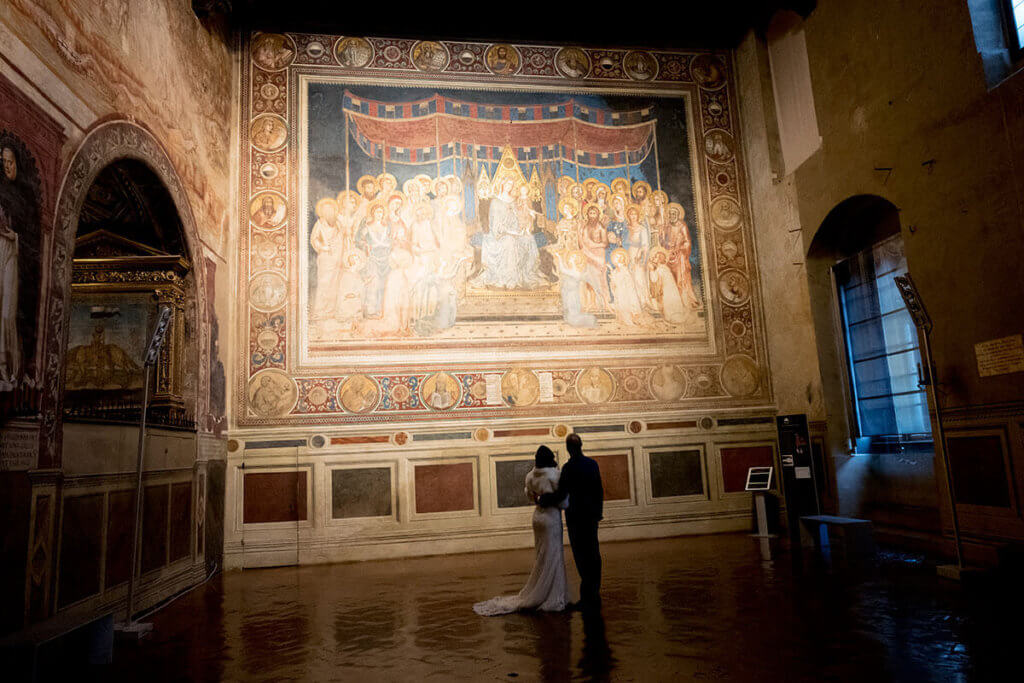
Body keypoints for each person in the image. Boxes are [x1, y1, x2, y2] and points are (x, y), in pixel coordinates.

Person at [474, 445, 569, 615]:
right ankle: (552, 595)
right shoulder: (555, 475)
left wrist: (541, 499)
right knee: (554, 555)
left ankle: (538, 590)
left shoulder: (530, 475)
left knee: (541, 556)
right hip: (551, 518)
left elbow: (530, 496)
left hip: (537, 517)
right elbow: (564, 503)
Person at [538, 433, 603, 611]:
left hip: (575, 516)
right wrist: (598, 513)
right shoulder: (592, 464)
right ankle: (594, 592)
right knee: (593, 552)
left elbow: (561, 494)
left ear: (568, 449)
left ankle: (587, 595)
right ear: (581, 445)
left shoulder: (568, 468)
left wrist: (544, 499)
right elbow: (599, 490)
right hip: (590, 515)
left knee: (581, 555)